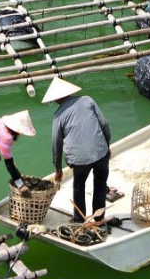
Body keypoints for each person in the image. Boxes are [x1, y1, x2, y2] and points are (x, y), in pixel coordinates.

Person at [43, 77, 111, 223]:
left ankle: (79, 220)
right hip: (101, 153)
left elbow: (56, 145)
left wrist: (58, 168)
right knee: (100, 185)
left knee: (79, 187)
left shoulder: (58, 116)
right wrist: (107, 147)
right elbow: (104, 125)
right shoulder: (87, 100)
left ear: (57, 99)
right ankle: (99, 220)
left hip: (80, 160)